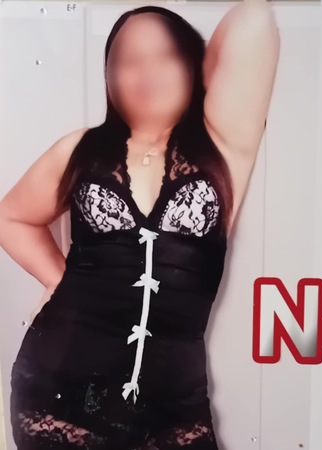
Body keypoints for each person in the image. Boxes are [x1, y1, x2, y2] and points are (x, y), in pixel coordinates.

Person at [0, 2, 280, 449]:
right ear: (109, 76)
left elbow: (254, 18)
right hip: (58, 391)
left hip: (174, 406)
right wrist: (58, 279)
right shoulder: (80, 149)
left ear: (194, 65)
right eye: (129, 60)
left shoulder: (225, 145)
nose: (147, 71)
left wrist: (197, 65)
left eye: (165, 55)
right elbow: (11, 217)